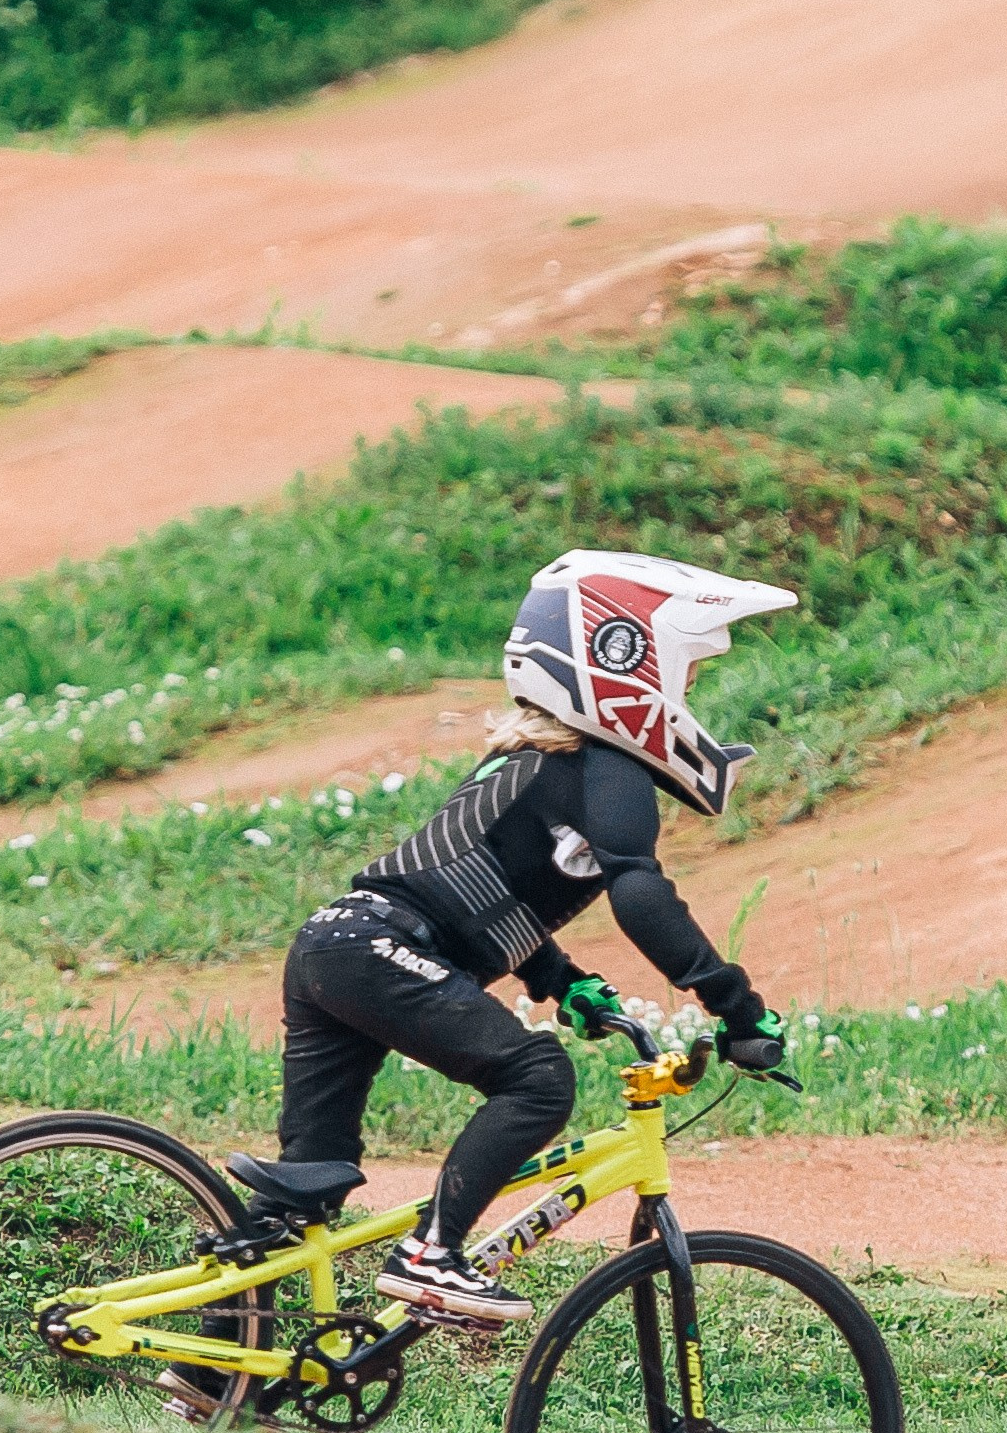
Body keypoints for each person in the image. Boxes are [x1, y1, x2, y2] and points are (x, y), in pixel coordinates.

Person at [224, 549, 794, 1329]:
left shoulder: (531, 760)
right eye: (680, 670)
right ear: (621, 658)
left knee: (305, 1185)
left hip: (337, 946)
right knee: (537, 1079)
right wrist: (736, 1007)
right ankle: (431, 1255)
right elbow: (640, 894)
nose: (686, 690)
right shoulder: (603, 767)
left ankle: (212, 1373)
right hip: (381, 947)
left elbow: (484, 895)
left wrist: (561, 981)